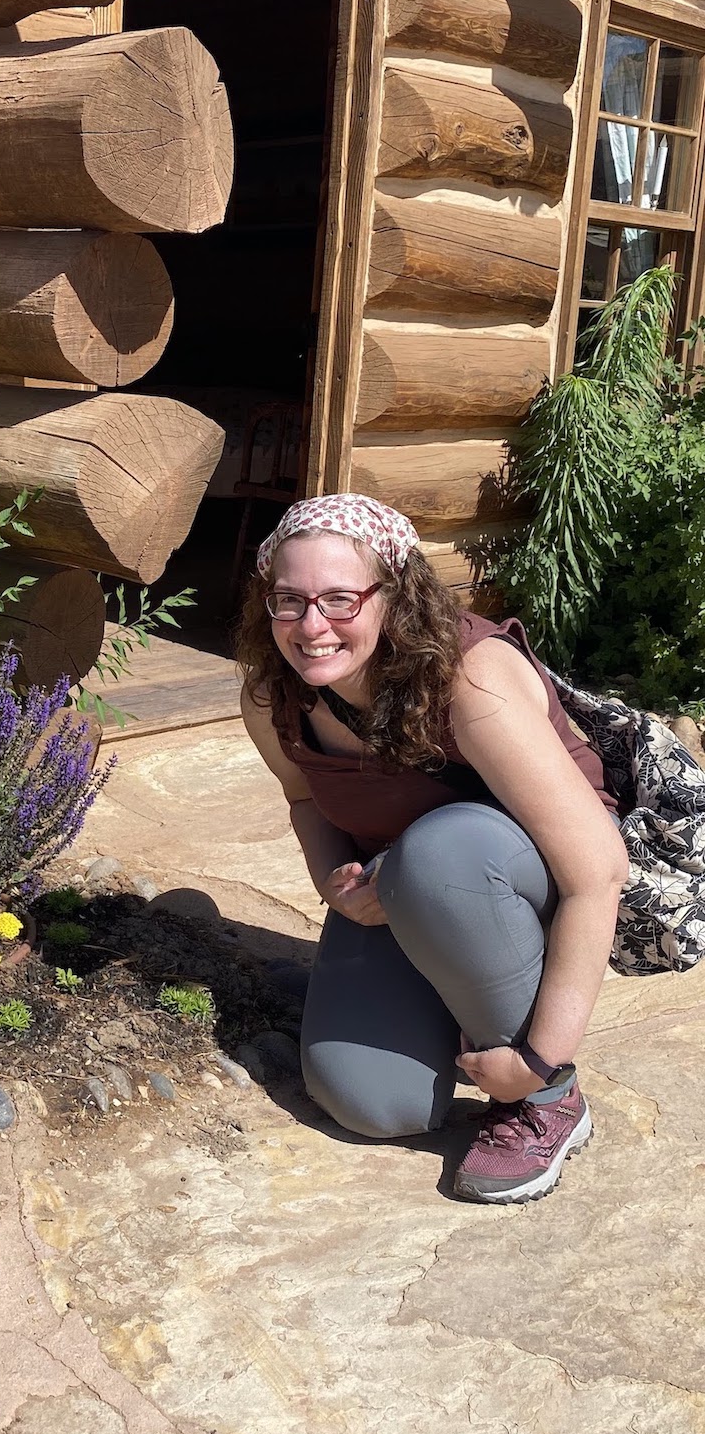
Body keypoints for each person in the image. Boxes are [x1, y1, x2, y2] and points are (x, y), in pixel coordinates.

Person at [237, 493, 629, 1204]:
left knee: (441, 856)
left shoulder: (469, 679)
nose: (311, 626)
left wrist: (540, 1058)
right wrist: (333, 881)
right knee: (372, 1103)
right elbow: (304, 799)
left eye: (339, 599)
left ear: (394, 594)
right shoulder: (273, 697)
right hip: (407, 894)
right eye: (288, 600)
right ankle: (447, 989)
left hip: (510, 882)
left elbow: (597, 874)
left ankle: (546, 1105)